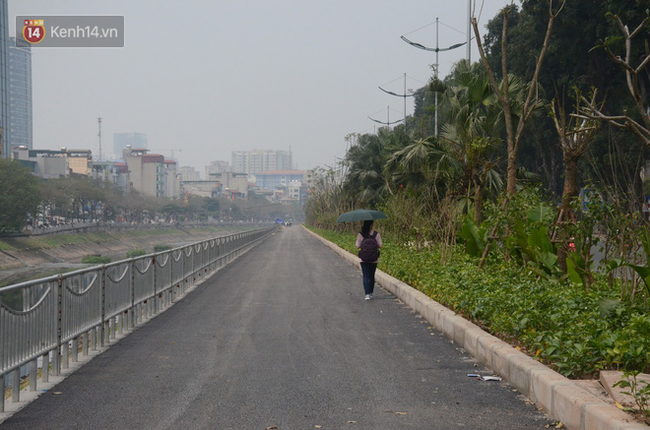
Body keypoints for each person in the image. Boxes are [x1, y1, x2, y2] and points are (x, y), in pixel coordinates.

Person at [356, 220, 383, 300]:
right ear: (371, 225)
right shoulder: (376, 234)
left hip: (364, 259)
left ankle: (367, 294)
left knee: (365, 275)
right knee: (371, 275)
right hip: (374, 259)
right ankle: (371, 292)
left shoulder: (361, 234)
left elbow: (357, 246)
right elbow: (380, 245)